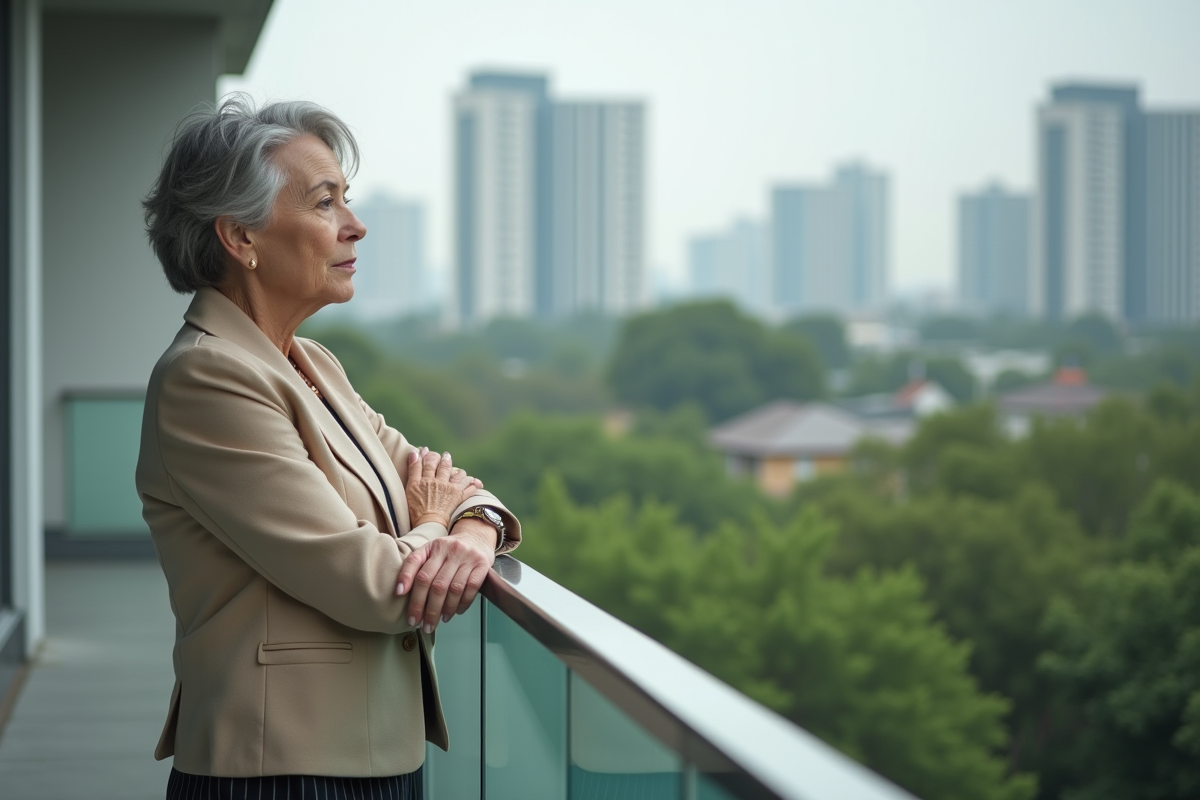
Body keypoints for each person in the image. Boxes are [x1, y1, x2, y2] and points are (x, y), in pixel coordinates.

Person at [136, 96, 519, 799]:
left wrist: (472, 530)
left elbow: (449, 481)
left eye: (348, 199)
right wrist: (435, 524)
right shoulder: (207, 378)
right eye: (325, 203)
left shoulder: (312, 364)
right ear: (240, 238)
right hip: (277, 769)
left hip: (374, 754)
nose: (356, 225)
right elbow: (373, 583)